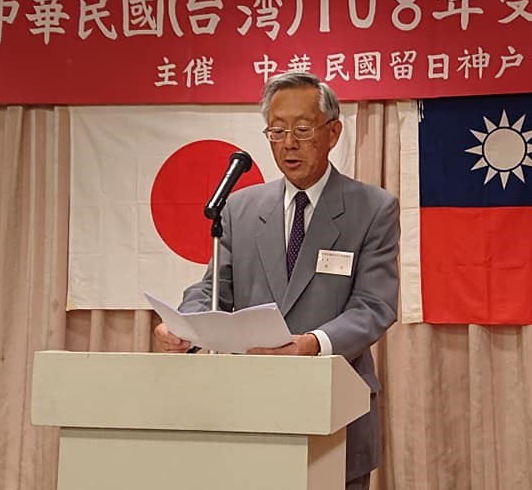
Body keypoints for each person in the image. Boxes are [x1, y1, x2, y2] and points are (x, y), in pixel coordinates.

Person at [153, 71, 399, 490]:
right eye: (277, 130)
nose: (288, 144)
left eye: (302, 130)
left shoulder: (373, 208)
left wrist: (310, 344)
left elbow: (374, 306)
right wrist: (184, 326)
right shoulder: (240, 208)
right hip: (250, 409)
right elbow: (214, 290)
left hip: (334, 408)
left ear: (333, 132)